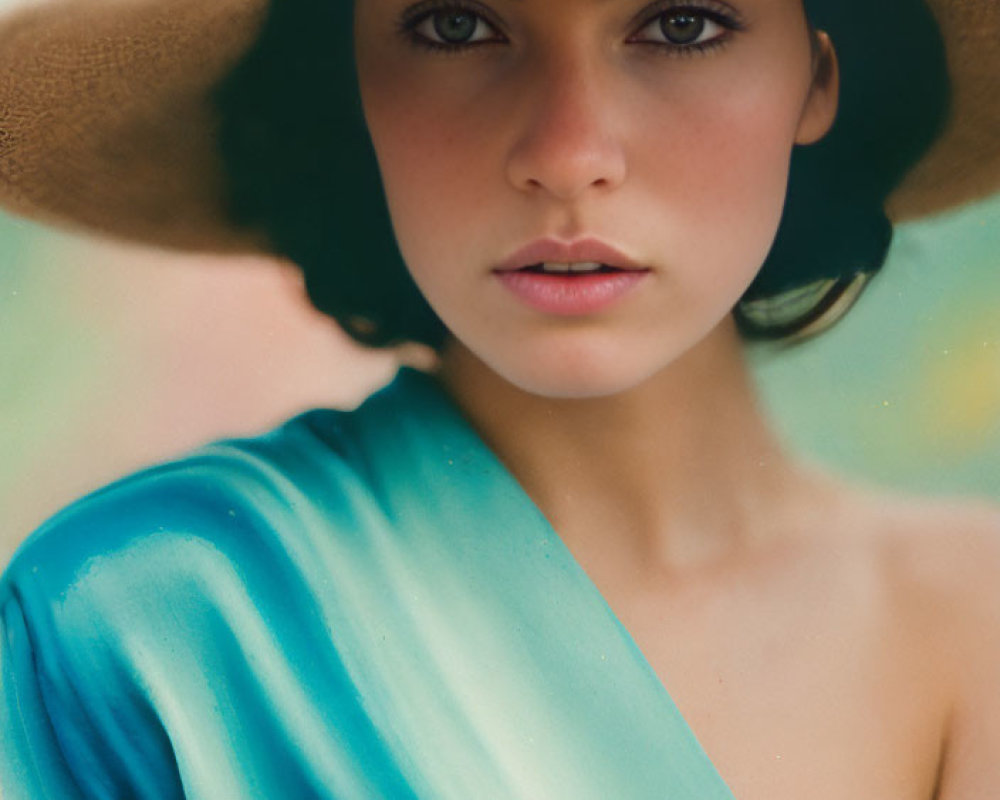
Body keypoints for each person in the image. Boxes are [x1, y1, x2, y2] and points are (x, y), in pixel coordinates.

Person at [0, 0, 998, 797]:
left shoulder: (980, 617)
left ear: (816, 79)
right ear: (349, 79)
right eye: (456, 25)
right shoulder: (148, 623)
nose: (567, 154)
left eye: (680, 24)